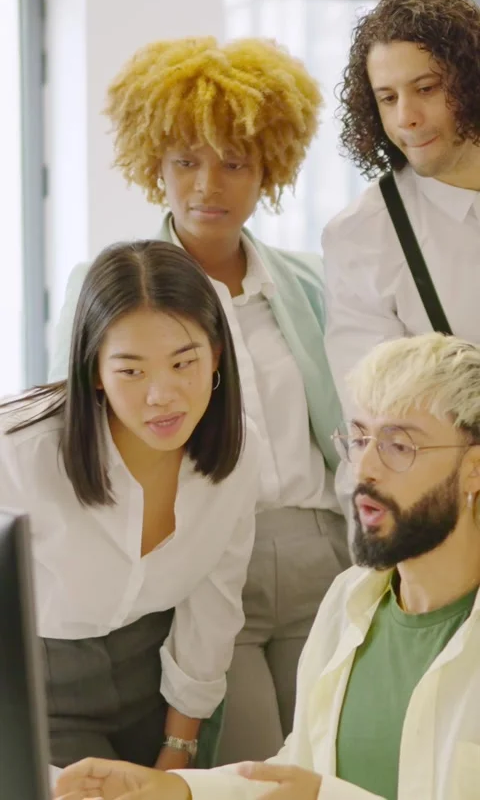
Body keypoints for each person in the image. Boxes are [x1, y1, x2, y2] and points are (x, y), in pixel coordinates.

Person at [49, 36, 350, 763]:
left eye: (235, 162)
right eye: (185, 160)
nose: (207, 185)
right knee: (244, 760)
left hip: (325, 550)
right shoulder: (110, 290)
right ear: (153, 161)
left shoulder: (310, 282)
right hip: (212, 556)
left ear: (269, 168)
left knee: (331, 753)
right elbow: (78, 427)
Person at [55, 332, 480, 800]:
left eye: (400, 446)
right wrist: (175, 788)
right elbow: (298, 771)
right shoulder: (349, 599)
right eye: (359, 438)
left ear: (475, 469)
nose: (362, 470)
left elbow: (315, 791)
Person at [0, 240, 261, 771]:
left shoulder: (238, 449)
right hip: (40, 683)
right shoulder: (18, 455)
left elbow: (214, 599)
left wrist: (179, 747)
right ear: (94, 369)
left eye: (183, 362)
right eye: (132, 371)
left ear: (215, 353)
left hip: (155, 681)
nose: (162, 394)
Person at [323, 0, 480, 409]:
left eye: (426, 88)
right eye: (388, 99)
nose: (406, 118)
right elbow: (377, 416)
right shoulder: (362, 235)